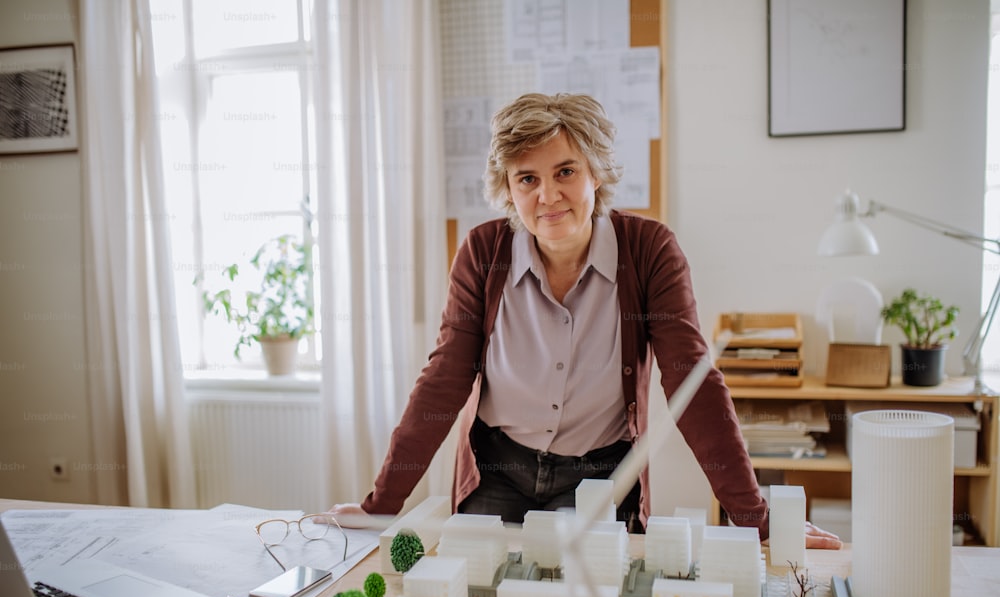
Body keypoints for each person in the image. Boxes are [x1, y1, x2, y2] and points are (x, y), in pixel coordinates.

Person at [327, 92, 841, 549]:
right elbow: (443, 381)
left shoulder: (649, 251)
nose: (547, 196)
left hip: (597, 476)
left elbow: (694, 386)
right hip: (496, 469)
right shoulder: (484, 253)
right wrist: (383, 506)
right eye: (527, 179)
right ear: (509, 188)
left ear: (596, 172)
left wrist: (758, 519)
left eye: (565, 172)